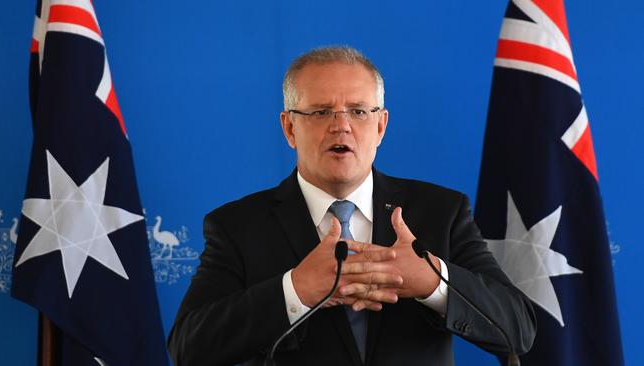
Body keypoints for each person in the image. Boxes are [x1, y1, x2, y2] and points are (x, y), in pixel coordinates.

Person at [168, 46, 536, 366]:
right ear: (290, 128)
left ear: (381, 126)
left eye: (359, 111)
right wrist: (295, 290)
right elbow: (189, 348)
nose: (341, 126)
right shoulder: (238, 226)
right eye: (320, 112)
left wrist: (433, 282)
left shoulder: (441, 211)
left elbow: (518, 331)